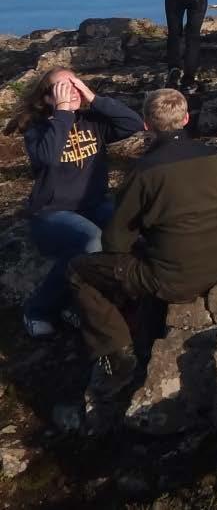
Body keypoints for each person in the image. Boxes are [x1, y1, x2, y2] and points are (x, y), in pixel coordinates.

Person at [68, 88, 217, 399]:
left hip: (175, 278)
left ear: (146, 124)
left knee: (79, 272)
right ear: (186, 118)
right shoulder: (214, 157)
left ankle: (116, 353)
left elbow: (116, 240)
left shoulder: (144, 171)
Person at [4, 68, 144, 339]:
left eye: (75, 85)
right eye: (63, 88)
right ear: (47, 98)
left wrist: (93, 97)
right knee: (93, 242)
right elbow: (48, 158)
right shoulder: (38, 129)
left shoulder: (92, 120)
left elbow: (133, 123)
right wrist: (63, 113)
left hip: (93, 204)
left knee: (132, 228)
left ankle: (110, 301)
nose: (72, 92)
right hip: (52, 213)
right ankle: (38, 310)